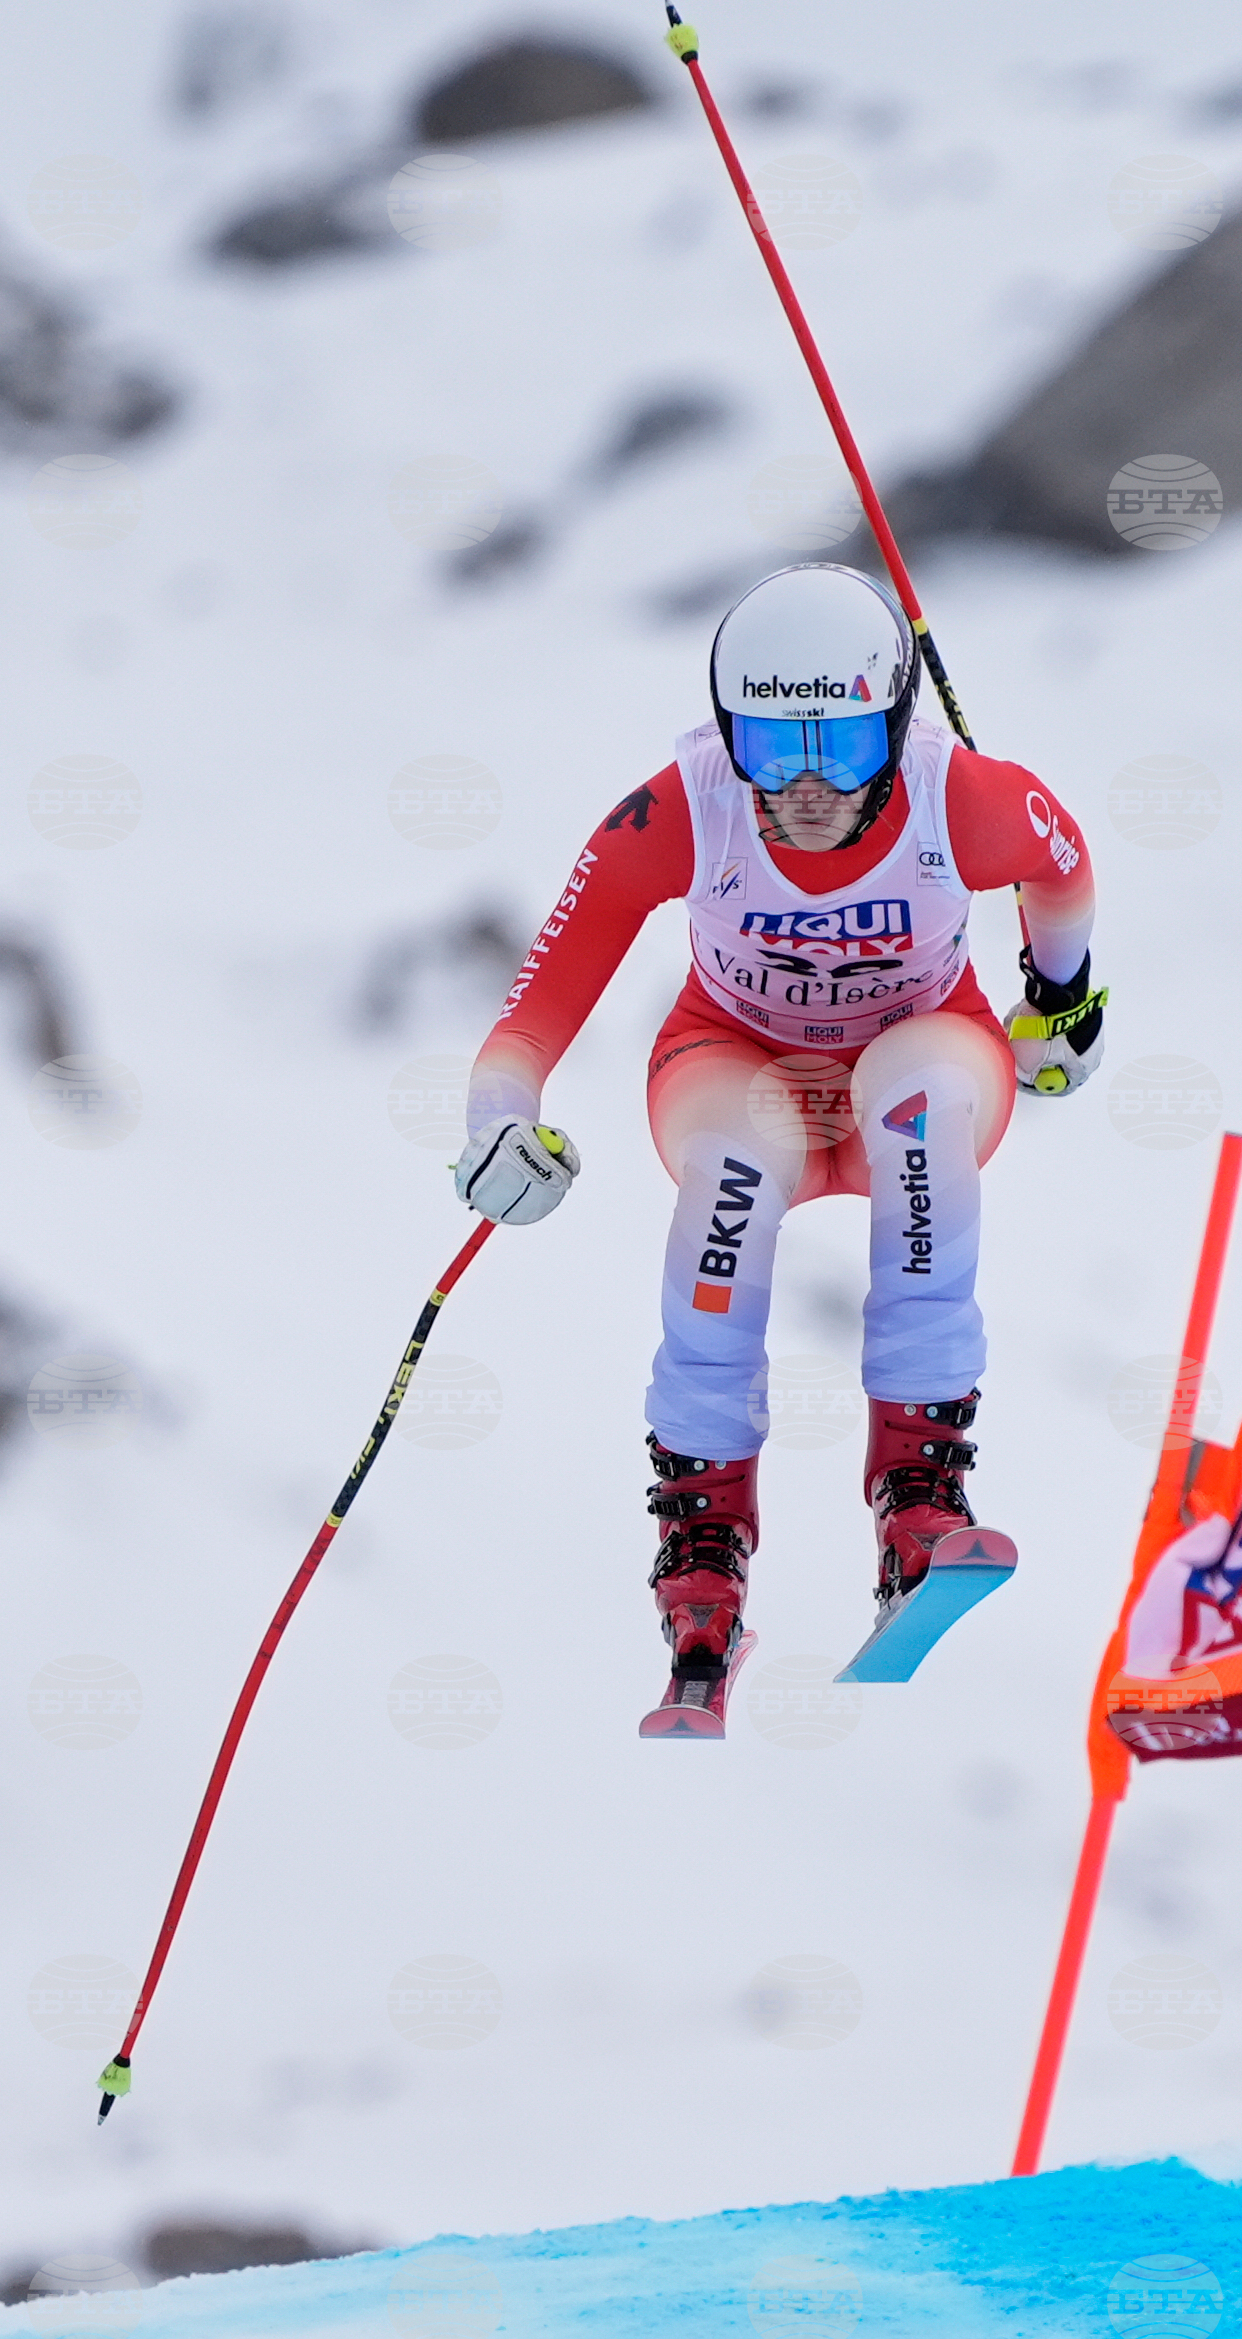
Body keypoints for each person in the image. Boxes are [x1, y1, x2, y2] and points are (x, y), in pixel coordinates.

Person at [456, 564, 1103, 1728]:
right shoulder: (679, 805)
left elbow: (1060, 867)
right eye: (767, 741)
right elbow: (537, 1002)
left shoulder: (963, 796)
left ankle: (919, 1493)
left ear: (894, 724)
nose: (803, 781)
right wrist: (496, 1117)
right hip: (736, 1064)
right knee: (737, 1163)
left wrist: (1059, 999)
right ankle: (698, 1540)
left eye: (845, 746)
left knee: (914, 1099)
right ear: (726, 728)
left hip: (918, 1057)